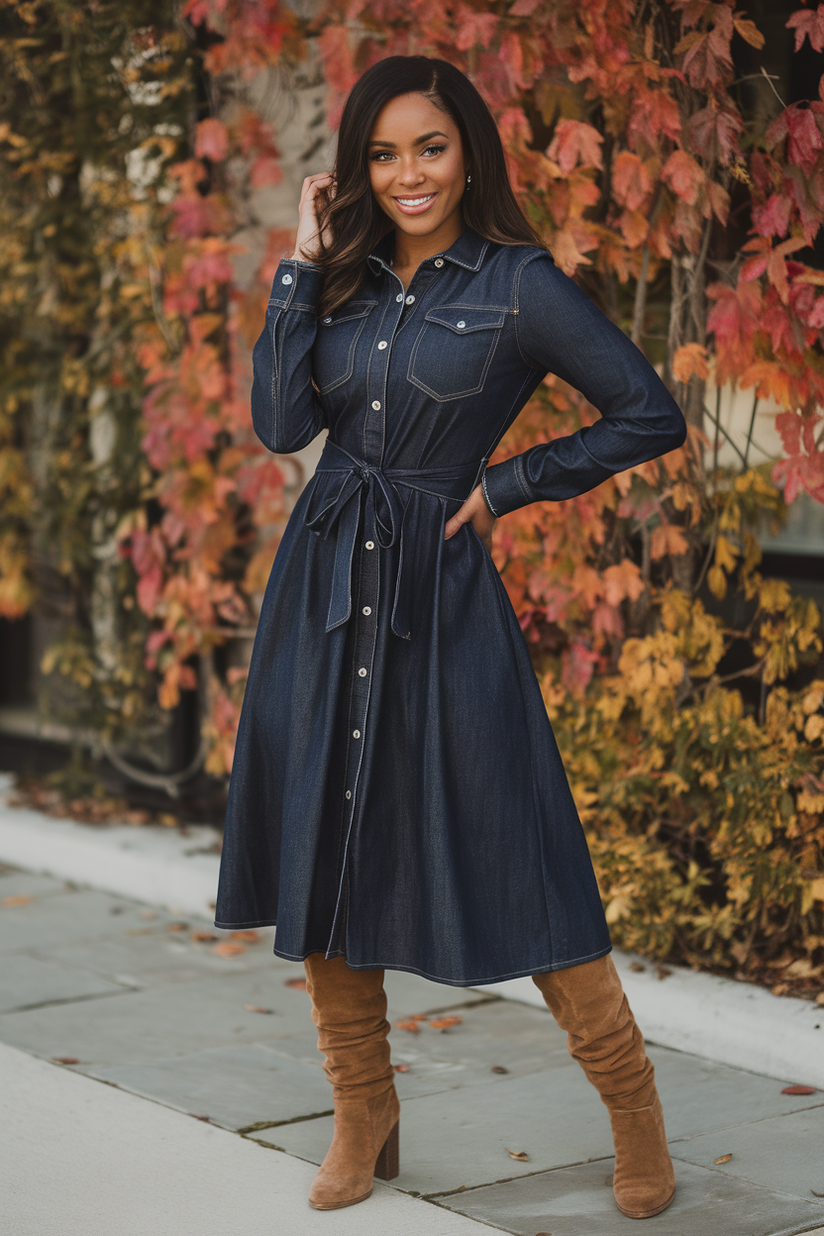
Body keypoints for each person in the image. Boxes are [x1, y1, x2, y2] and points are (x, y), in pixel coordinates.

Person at [214, 55, 686, 1219]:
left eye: (428, 147)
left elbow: (645, 412)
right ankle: (361, 1111)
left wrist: (511, 481)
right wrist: (296, 262)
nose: (407, 173)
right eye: (382, 153)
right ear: (355, 169)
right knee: (321, 836)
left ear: (467, 148)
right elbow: (281, 425)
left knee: (512, 831)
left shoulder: (521, 285)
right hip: (323, 581)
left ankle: (632, 1109)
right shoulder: (340, 280)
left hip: (439, 591)